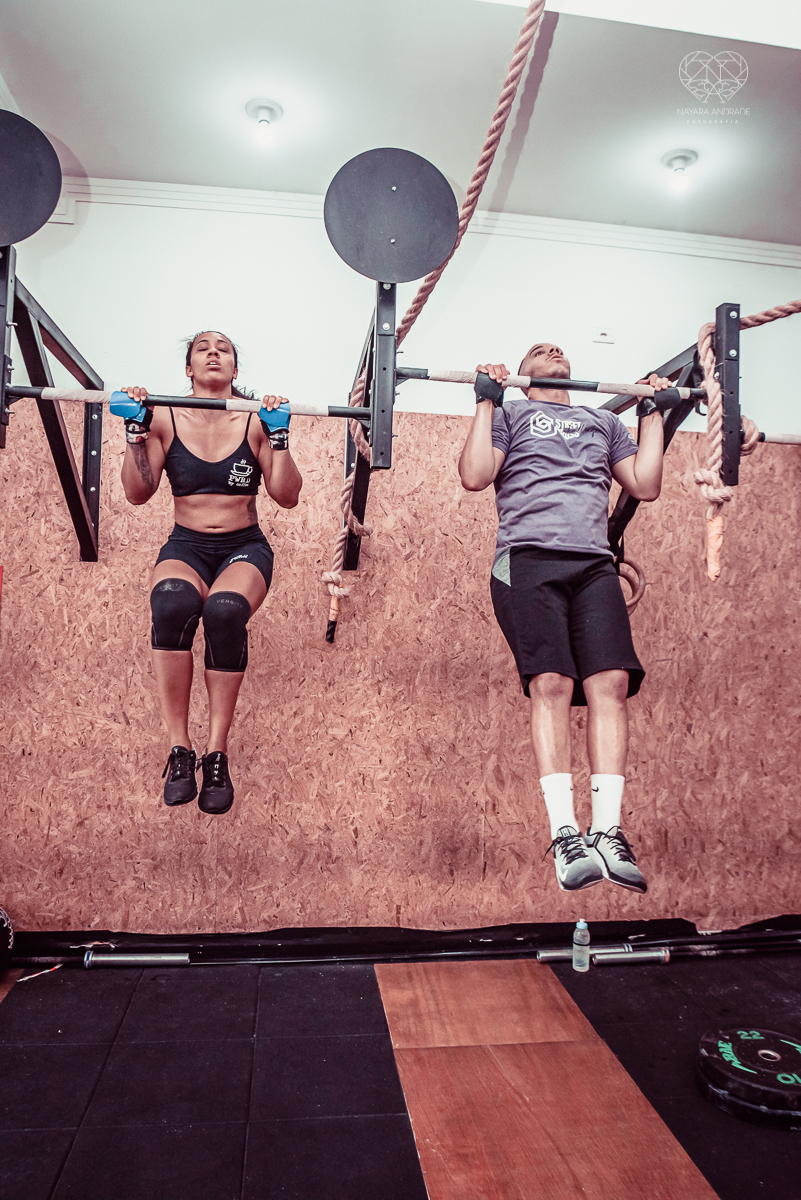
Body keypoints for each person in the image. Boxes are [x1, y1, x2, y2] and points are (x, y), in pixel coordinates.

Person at [458, 340, 758, 892]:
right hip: (526, 559)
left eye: (558, 348)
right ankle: (565, 835)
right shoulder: (513, 412)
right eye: (539, 349)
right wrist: (486, 400)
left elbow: (645, 484)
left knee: (612, 682)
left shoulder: (602, 422)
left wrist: (651, 413)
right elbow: (476, 476)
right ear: (523, 374)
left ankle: (607, 832)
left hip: (594, 564)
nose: (553, 349)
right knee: (551, 682)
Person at [116, 331, 302, 814]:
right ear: (189, 368)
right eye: (202, 348)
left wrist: (280, 439)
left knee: (224, 611)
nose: (213, 352)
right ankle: (180, 750)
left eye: (224, 349)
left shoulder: (255, 418)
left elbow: (287, 496)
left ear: (235, 370)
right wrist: (135, 434)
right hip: (187, 546)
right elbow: (137, 493)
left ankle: (216, 754)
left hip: (244, 546)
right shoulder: (163, 416)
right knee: (172, 602)